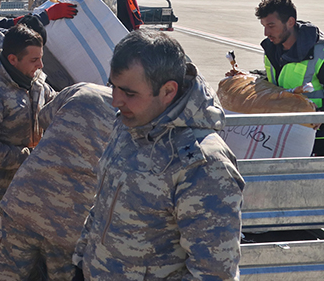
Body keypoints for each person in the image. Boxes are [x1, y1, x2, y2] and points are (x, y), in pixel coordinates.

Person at [71, 30, 245, 280]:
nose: (115, 101)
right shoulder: (131, 125)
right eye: (113, 87)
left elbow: (213, 273)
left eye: (129, 93)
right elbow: (104, 204)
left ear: (168, 91)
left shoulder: (204, 164)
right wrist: (80, 263)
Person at [0, 82, 115, 280]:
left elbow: (43, 118)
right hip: (71, 221)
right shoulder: (138, 119)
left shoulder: (83, 89)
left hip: (26, 201)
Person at [0, 24, 56, 276]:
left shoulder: (33, 80)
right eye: (34, 59)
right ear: (13, 59)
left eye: (41, 58)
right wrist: (31, 158)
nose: (41, 66)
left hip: (24, 181)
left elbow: (51, 102)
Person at [255, 0, 324, 156]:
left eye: (271, 25)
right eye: (263, 26)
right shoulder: (271, 49)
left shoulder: (323, 54)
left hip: (314, 141)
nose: (266, 32)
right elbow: (276, 82)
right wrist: (245, 80)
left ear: (290, 22)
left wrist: (320, 116)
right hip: (277, 134)